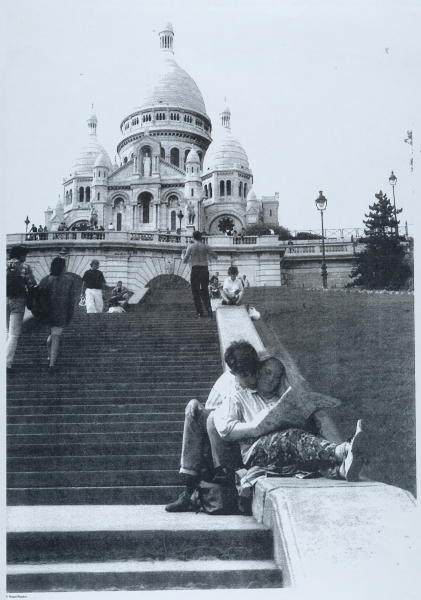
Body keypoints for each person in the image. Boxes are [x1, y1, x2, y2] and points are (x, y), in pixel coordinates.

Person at [214, 353, 368, 483]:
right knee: (291, 436)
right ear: (258, 371)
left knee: (301, 447)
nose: (271, 379)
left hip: (283, 450)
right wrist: (254, 428)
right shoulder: (239, 397)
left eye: (277, 376)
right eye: (268, 372)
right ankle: (343, 450)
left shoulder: (281, 400)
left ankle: (341, 470)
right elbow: (225, 429)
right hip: (255, 453)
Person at [165, 341, 260, 512]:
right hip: (224, 441)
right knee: (194, 413)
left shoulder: (264, 378)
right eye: (245, 374)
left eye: (253, 372)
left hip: (246, 440)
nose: (252, 378)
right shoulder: (226, 382)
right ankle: (189, 488)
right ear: (233, 372)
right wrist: (195, 404)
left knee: (215, 419)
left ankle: (225, 486)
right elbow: (208, 416)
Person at [36, 257, 75, 373]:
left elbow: (38, 295)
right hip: (60, 312)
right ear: (63, 267)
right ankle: (52, 364)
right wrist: (69, 314)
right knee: (55, 336)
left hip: (47, 313)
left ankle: (50, 359)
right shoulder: (70, 280)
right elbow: (71, 300)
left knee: (53, 336)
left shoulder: (45, 279)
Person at [6, 246, 37, 373]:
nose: (25, 258)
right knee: (13, 334)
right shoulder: (25, 267)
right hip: (18, 300)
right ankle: (6, 363)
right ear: (21, 255)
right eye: (24, 255)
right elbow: (31, 285)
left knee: (5, 330)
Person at [182, 230, 218, 318]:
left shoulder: (190, 247)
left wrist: (183, 254)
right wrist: (208, 256)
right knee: (205, 290)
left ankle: (199, 312)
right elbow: (215, 257)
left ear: (193, 238)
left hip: (195, 269)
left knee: (195, 291)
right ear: (201, 237)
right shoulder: (206, 247)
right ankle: (208, 308)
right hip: (204, 269)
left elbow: (184, 261)